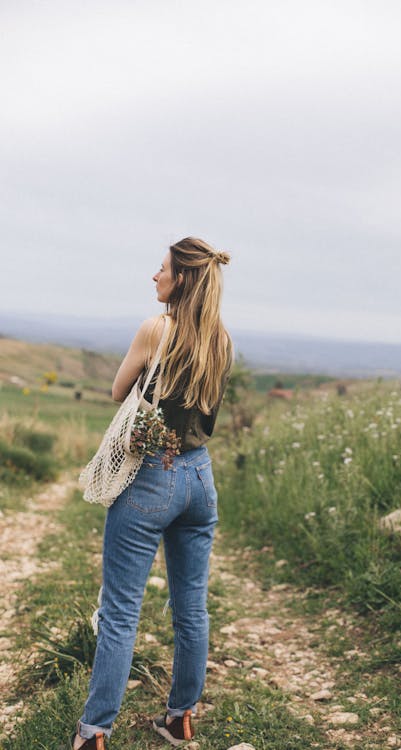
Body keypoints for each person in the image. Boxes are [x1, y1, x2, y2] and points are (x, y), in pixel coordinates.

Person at [68, 237, 233, 749]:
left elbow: (119, 391)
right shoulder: (221, 340)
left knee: (120, 610)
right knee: (192, 607)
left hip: (150, 477)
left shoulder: (156, 328)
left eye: (161, 269)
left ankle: (95, 732)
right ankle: (180, 717)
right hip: (200, 478)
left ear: (181, 279)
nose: (154, 277)